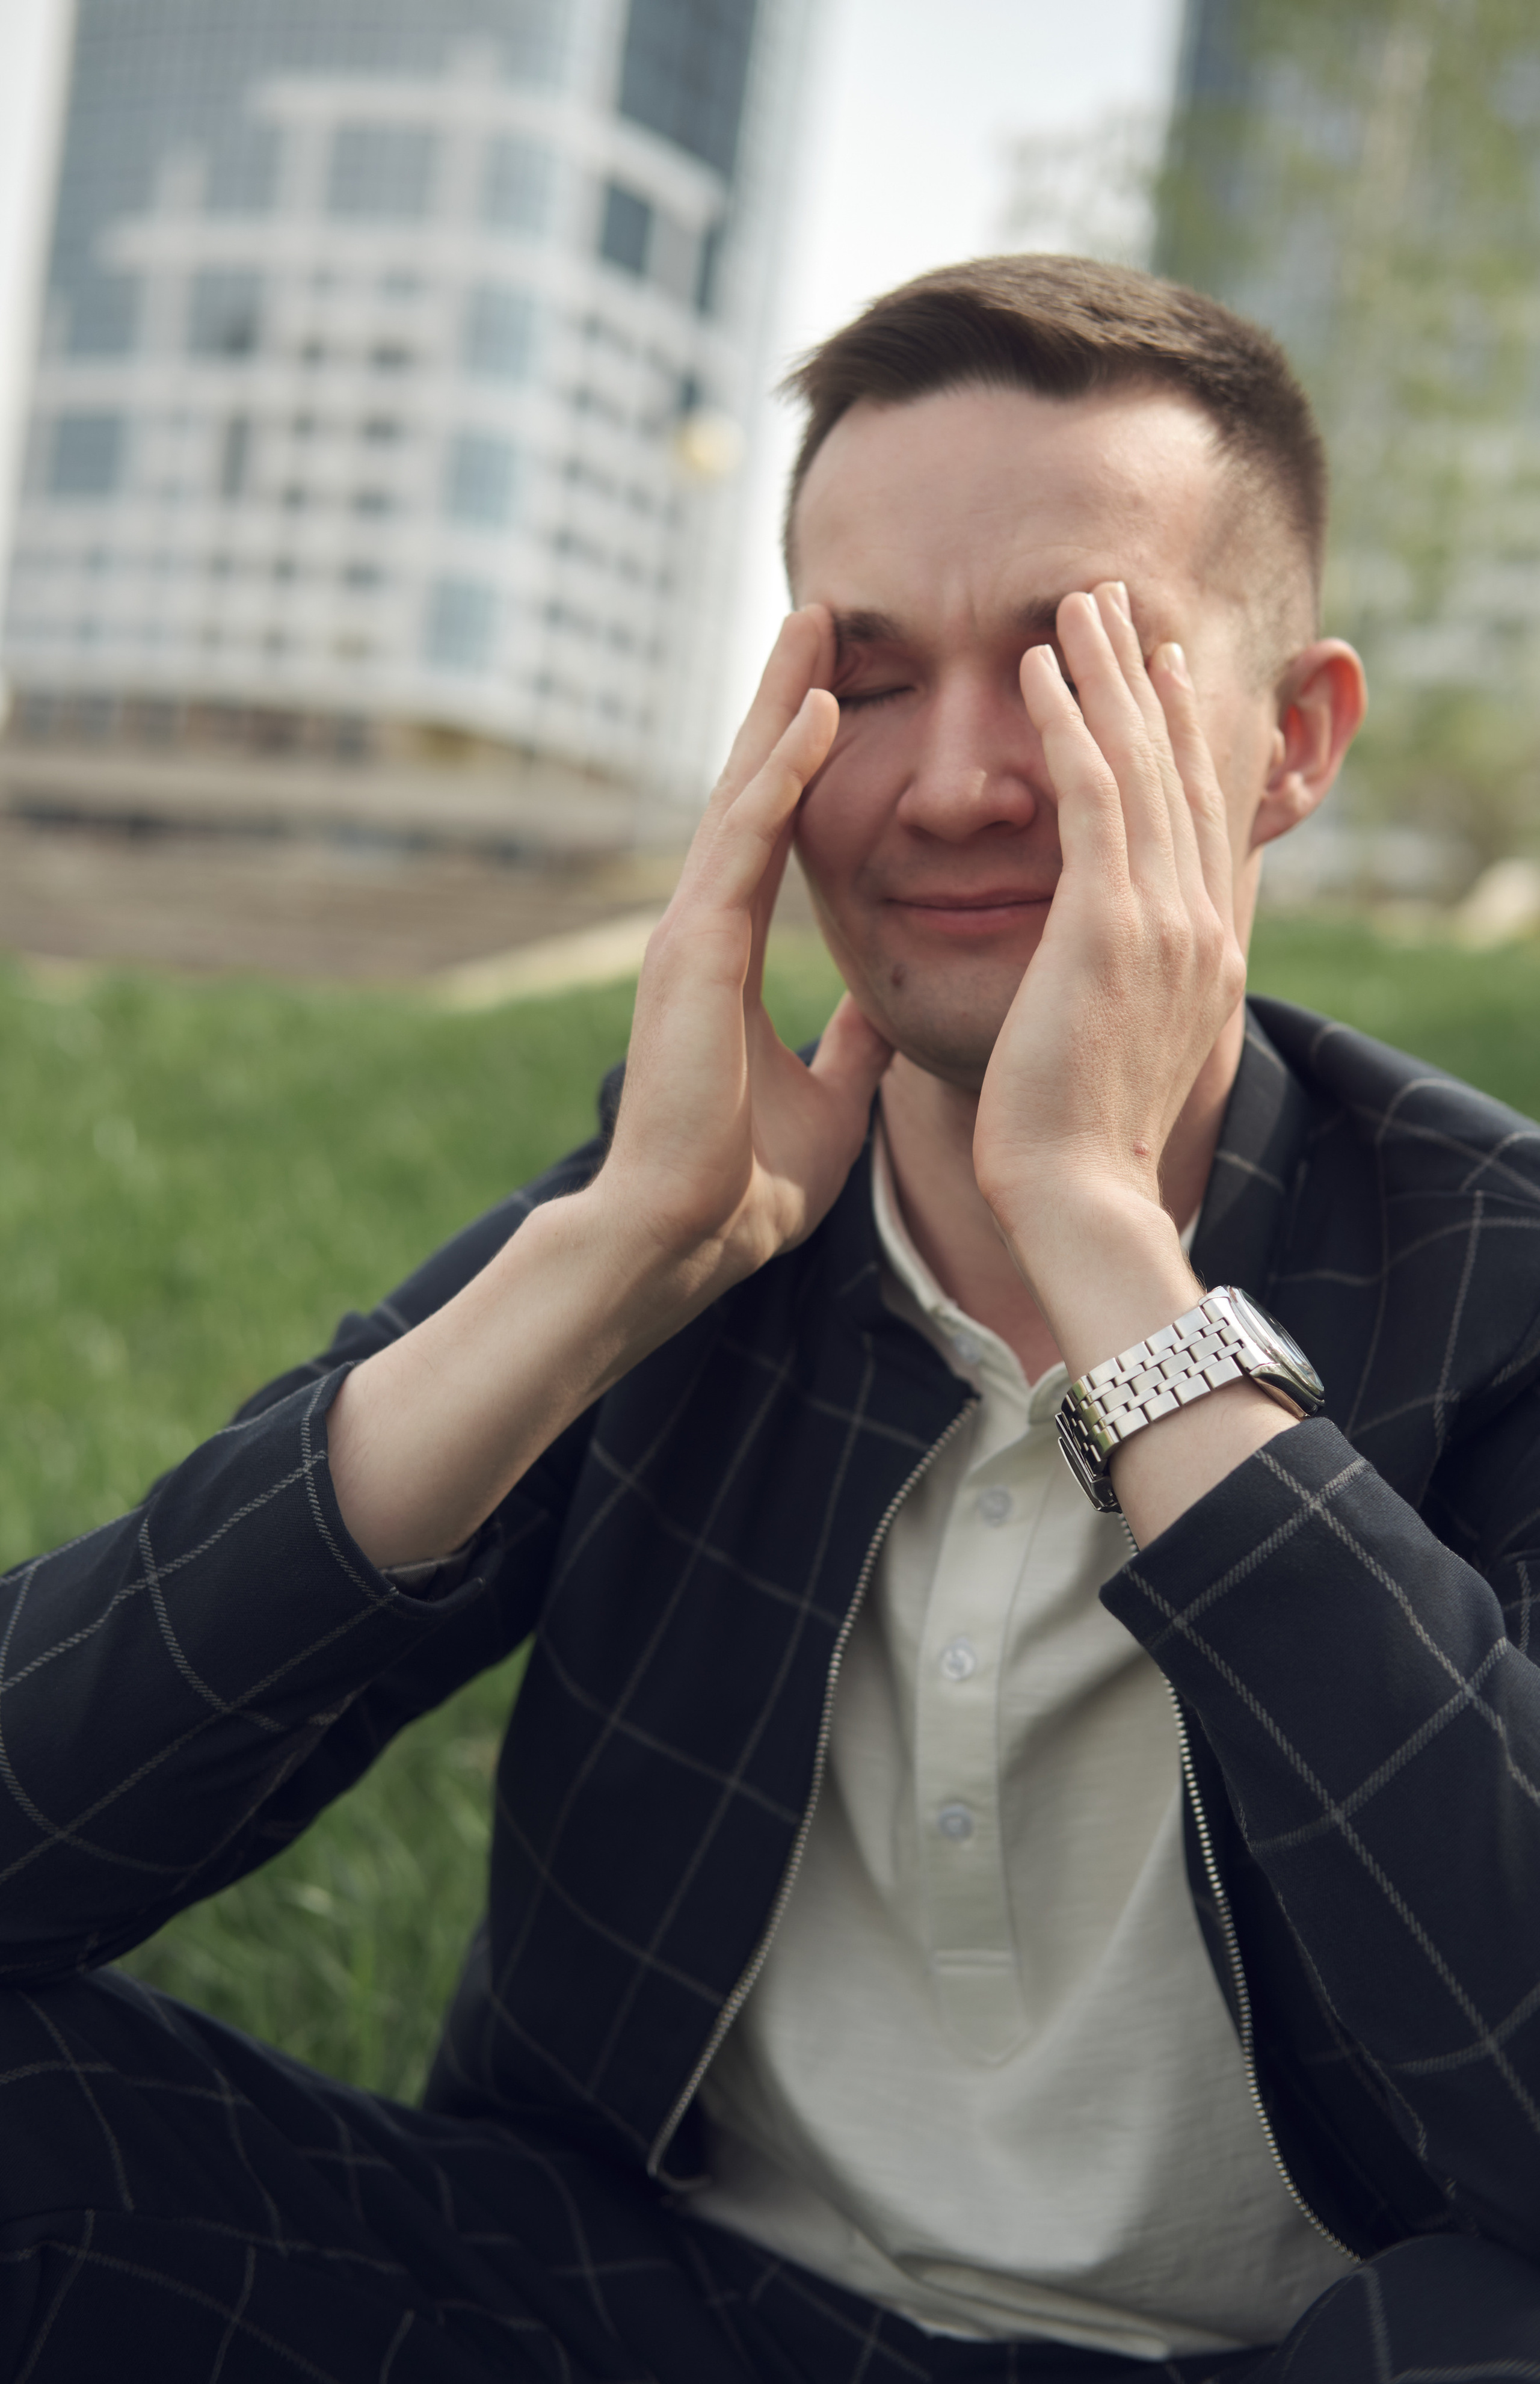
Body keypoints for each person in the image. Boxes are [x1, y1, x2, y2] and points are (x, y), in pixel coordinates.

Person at [3, 254, 1540, 2384]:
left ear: (1290, 743)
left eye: (1076, 665)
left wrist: (1101, 1238)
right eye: (875, 674)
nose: (957, 780)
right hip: (640, 2319)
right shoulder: (694, 1222)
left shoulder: (1503, 1272)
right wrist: (602, 1261)